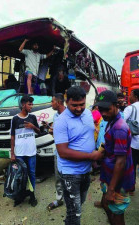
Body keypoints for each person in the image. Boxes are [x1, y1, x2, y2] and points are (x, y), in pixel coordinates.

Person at [53, 86, 104, 225]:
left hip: (86, 171)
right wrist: (91, 156)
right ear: (66, 101)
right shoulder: (61, 122)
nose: (79, 109)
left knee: (77, 205)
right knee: (75, 213)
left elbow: (89, 132)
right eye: (74, 105)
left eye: (81, 104)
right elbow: (62, 152)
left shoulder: (88, 113)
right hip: (71, 174)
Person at [94, 90, 135, 225]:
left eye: (107, 109)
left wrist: (111, 189)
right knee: (107, 205)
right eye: (101, 109)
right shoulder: (111, 121)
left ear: (116, 105)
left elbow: (121, 162)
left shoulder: (119, 128)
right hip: (110, 174)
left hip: (119, 181)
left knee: (117, 213)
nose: (103, 113)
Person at [10, 95, 40, 206]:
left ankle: (32, 195)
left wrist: (33, 126)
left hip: (31, 151)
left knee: (32, 173)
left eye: (32, 104)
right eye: (29, 104)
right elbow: (12, 136)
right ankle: (19, 196)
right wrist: (12, 153)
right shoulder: (15, 119)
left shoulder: (32, 117)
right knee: (19, 175)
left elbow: (39, 131)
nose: (31, 106)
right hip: (19, 153)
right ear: (23, 105)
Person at [46, 93, 66, 211]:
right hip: (57, 152)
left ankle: (72, 199)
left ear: (58, 102)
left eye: (52, 101)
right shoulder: (55, 116)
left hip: (68, 152)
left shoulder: (69, 115)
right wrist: (50, 130)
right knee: (58, 177)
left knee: (69, 177)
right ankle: (59, 199)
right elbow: (56, 134)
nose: (51, 104)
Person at [123, 89, 139, 182]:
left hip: (134, 142)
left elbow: (121, 122)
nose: (129, 97)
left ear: (135, 96)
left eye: (131, 95)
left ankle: (131, 185)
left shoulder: (130, 108)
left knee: (132, 164)